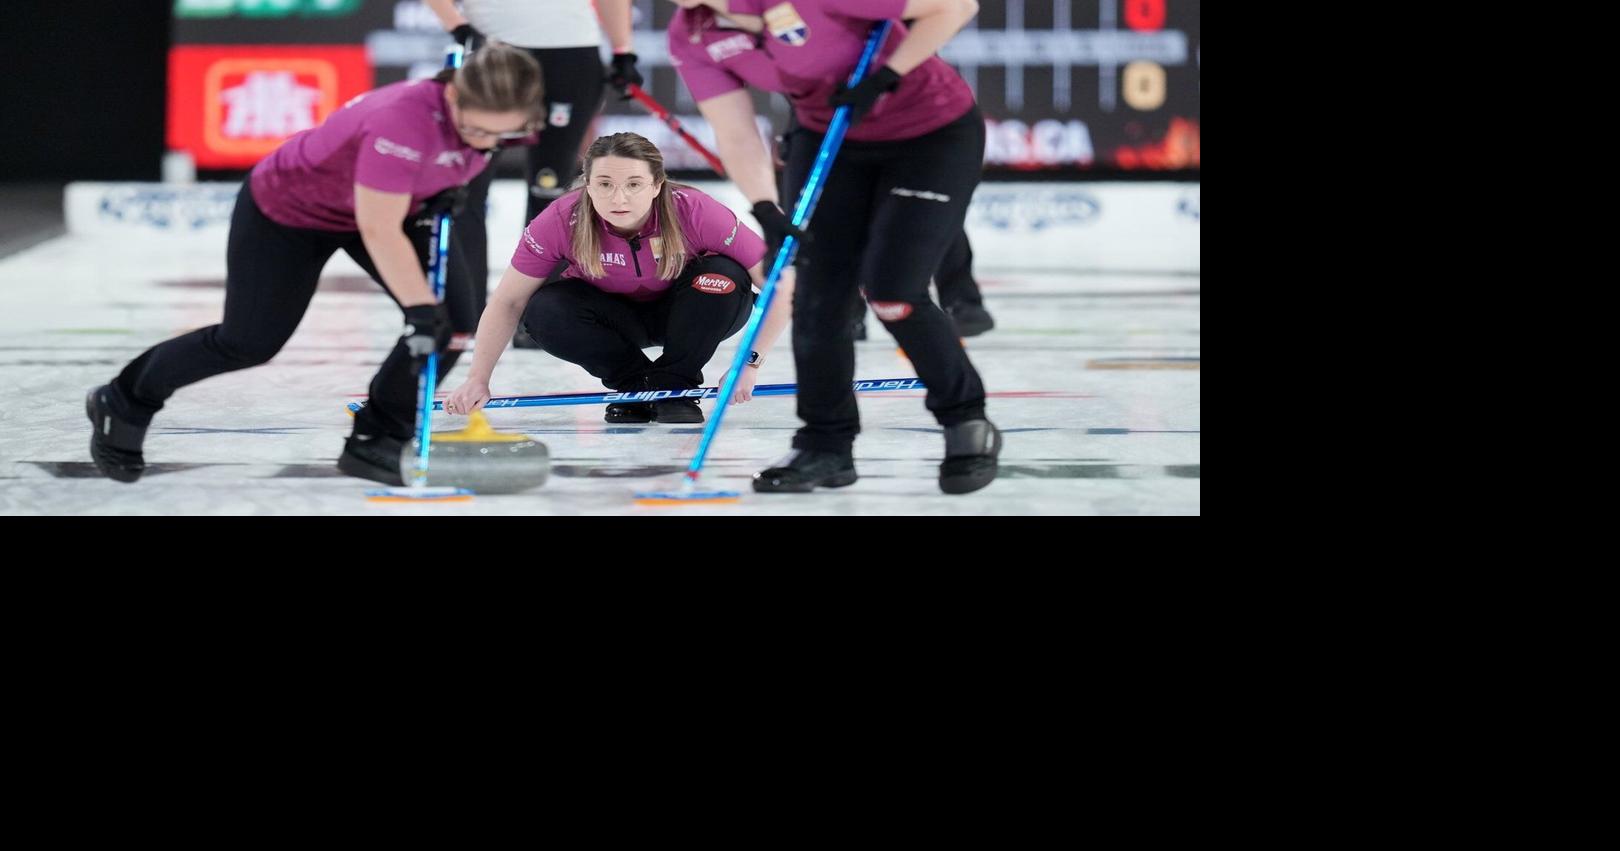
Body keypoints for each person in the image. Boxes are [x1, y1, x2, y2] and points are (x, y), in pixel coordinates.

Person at [86, 45, 544, 486]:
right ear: (452, 95)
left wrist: (442, 183)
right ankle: (124, 398)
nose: (484, 142)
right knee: (248, 341)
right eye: (475, 129)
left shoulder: (502, 117)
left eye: (497, 136)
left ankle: (377, 435)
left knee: (454, 326)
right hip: (291, 211)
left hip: (390, 205)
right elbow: (379, 228)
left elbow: (453, 163)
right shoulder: (401, 122)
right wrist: (419, 307)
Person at [666, 0, 1000, 494]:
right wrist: (764, 208)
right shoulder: (691, 35)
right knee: (819, 298)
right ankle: (825, 444)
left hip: (929, 134)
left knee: (893, 290)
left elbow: (955, 7)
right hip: (830, 138)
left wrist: (887, 74)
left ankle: (966, 420)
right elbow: (735, 130)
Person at [443, 132, 783, 424]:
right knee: (543, 308)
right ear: (588, 185)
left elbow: (780, 288)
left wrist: (749, 364)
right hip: (614, 321)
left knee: (722, 275)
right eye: (604, 185)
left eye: (634, 185)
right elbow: (508, 301)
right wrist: (477, 379)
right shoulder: (561, 219)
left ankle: (674, 383)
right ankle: (635, 385)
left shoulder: (696, 211)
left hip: (692, 314)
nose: (618, 198)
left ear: (656, 186)